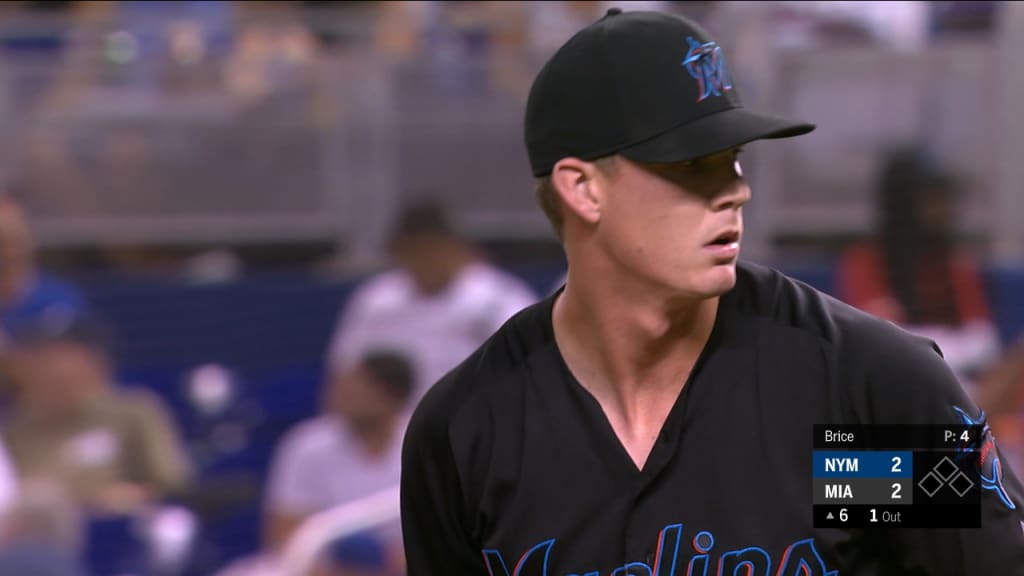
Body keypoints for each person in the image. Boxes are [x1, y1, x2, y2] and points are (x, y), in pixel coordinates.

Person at [400, 8, 1024, 576]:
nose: (735, 190)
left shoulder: (853, 394)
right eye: (692, 163)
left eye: (734, 157)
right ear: (583, 189)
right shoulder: (472, 432)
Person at [326, 199, 537, 402]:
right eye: (411, 251)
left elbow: (533, 370)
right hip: (393, 425)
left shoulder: (497, 297)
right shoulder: (376, 300)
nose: (422, 260)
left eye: (429, 249)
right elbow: (344, 372)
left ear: (453, 248)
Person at [836, 147, 1001, 384]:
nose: (943, 209)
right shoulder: (864, 261)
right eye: (931, 199)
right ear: (903, 203)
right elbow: (881, 343)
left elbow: (984, 344)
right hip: (895, 391)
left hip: (961, 387)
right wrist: (951, 344)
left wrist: (934, 345)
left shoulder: (956, 263)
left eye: (944, 198)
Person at [0, 313, 192, 515]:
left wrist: (136, 496)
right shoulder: (14, 430)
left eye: (64, 354)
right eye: (40, 355)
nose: (53, 366)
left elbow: (173, 486)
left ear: (94, 361)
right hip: (36, 537)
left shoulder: (133, 413)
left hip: (117, 530)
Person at [263, 351, 414, 570]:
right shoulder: (305, 445)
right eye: (342, 385)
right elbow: (284, 535)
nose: (342, 394)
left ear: (392, 397)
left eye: (358, 387)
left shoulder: (430, 445)